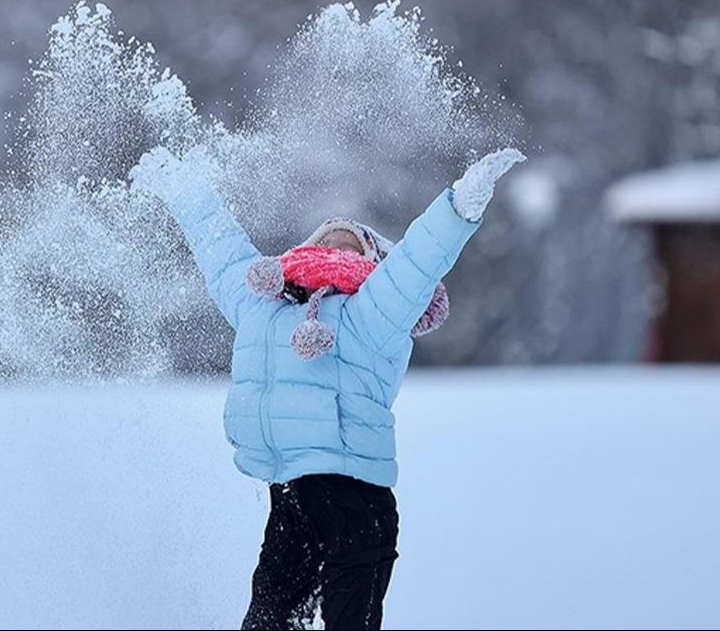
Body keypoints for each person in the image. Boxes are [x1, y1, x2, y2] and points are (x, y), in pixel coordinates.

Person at [128, 146, 525, 630]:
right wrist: (185, 192)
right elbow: (223, 252)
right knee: (267, 621)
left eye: (351, 246)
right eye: (326, 243)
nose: (336, 251)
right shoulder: (264, 309)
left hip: (357, 501)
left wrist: (460, 204)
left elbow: (417, 263)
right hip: (292, 497)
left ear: (374, 263)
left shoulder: (374, 313)